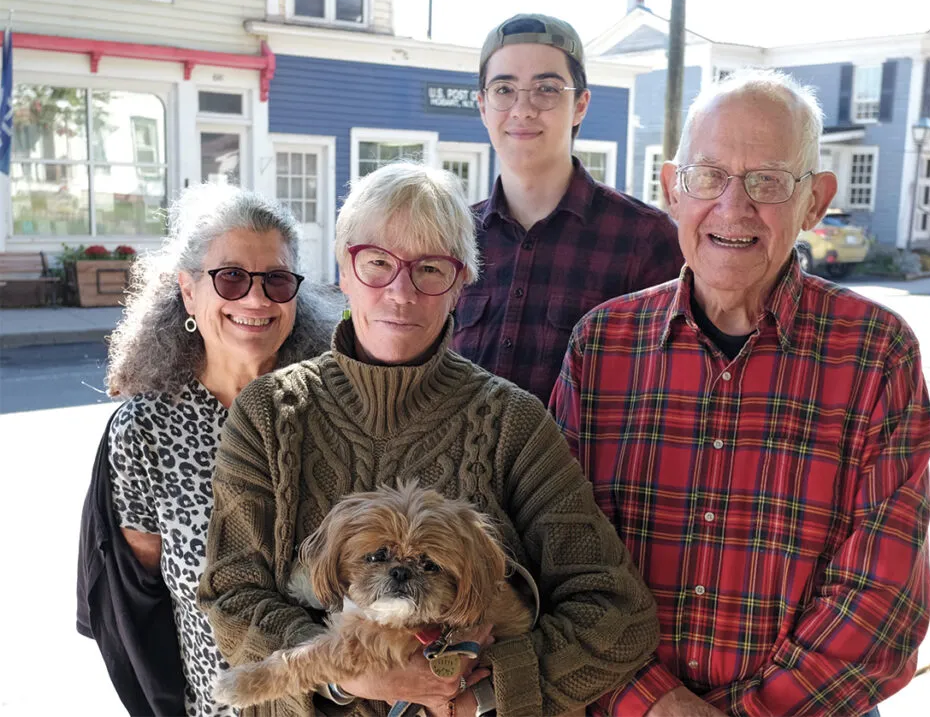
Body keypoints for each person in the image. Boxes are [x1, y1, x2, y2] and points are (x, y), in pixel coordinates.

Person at [197, 162, 660, 717]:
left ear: (462, 282)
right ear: (343, 269)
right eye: (377, 264)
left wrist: (483, 693)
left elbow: (618, 614)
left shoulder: (512, 421)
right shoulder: (271, 413)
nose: (400, 292)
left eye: (431, 269)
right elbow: (232, 595)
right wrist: (352, 678)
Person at [550, 70, 930, 717]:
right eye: (709, 176)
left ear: (815, 201)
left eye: (768, 181)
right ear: (673, 189)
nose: (734, 206)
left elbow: (881, 596)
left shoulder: (877, 353)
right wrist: (653, 700)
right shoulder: (601, 346)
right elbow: (556, 552)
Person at [78, 184, 339, 717]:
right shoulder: (144, 432)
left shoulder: (335, 409)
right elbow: (138, 606)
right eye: (231, 277)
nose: (256, 299)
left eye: (277, 280)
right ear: (188, 290)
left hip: (337, 702)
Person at [452, 13, 684, 404]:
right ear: (482, 106)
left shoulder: (646, 240)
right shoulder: (450, 235)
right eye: (504, 89)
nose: (522, 109)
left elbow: (672, 388)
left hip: (584, 466)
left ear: (580, 105)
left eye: (546, 88)